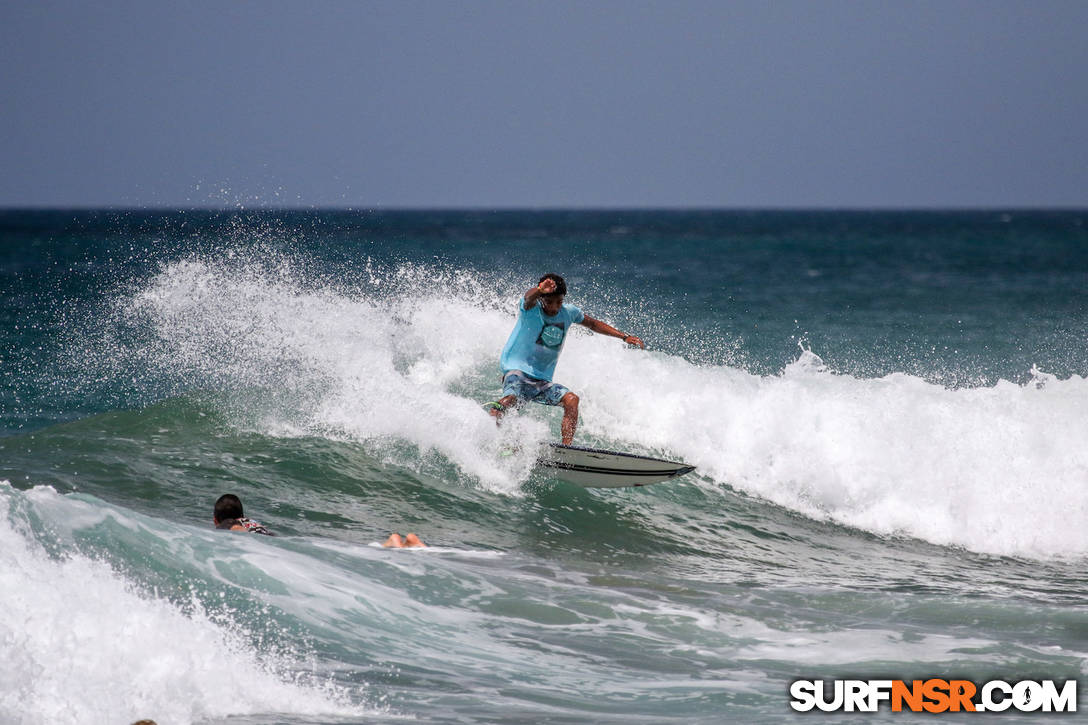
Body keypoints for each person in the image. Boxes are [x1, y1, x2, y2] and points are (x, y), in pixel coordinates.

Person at [487, 273, 644, 445]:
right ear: (541, 299)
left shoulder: (569, 313)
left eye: (559, 302)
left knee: (571, 400)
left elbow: (593, 324)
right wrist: (539, 290)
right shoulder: (530, 309)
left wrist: (624, 336)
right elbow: (528, 297)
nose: (554, 307)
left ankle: (566, 450)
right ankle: (491, 433)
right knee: (510, 400)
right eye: (549, 302)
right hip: (517, 371)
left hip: (542, 381)